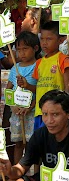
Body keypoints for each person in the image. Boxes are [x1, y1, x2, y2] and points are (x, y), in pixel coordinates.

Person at [7, 31, 39, 164]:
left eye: (25, 49)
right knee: (18, 143)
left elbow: (41, 90)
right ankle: (17, 171)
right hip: (16, 113)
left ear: (35, 48)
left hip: (31, 112)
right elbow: (8, 90)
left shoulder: (38, 65)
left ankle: (34, 173)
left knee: (33, 144)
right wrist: (12, 106)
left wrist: (30, 107)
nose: (22, 53)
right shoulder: (15, 68)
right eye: (19, 50)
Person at [31, 21, 69, 130]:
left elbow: (68, 86)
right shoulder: (39, 62)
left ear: (60, 40)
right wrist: (25, 85)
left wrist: (66, 107)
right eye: (42, 39)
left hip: (55, 111)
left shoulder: (63, 59)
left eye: (49, 39)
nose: (44, 43)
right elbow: (38, 87)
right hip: (40, 111)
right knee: (40, 141)